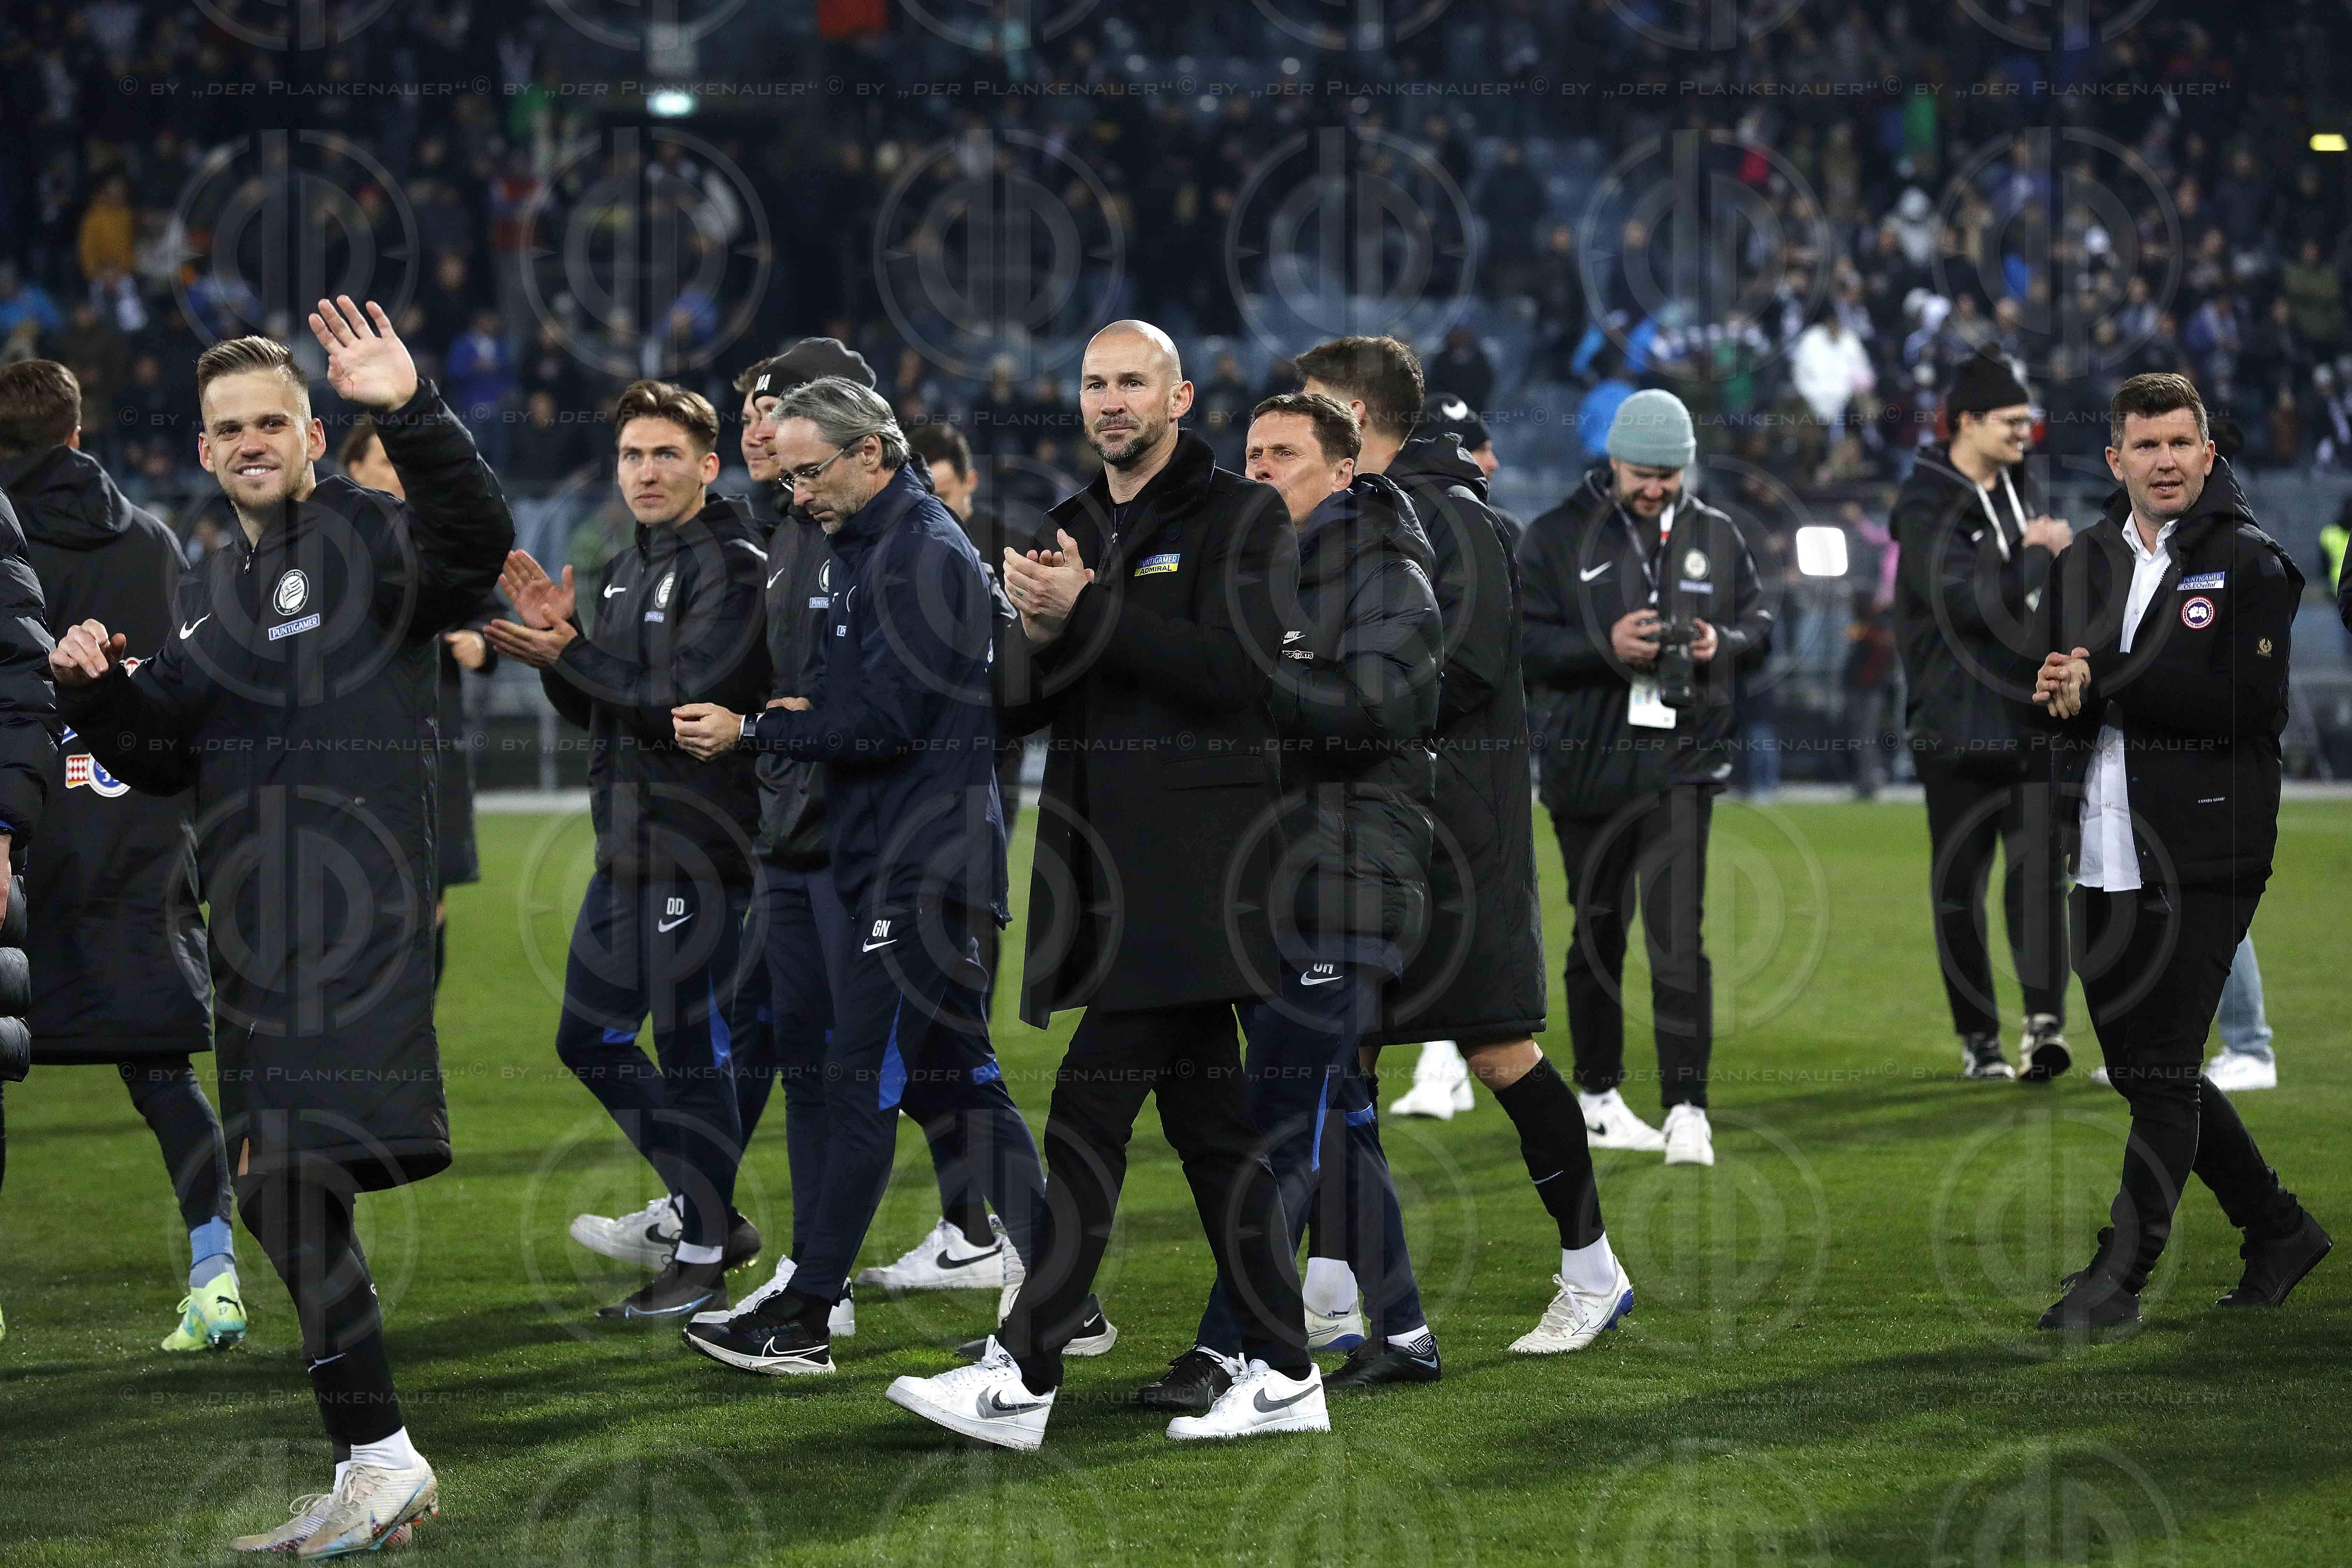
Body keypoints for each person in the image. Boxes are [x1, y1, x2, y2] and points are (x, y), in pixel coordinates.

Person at [52, 299, 512, 1555]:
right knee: (277, 1196)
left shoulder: (364, 535)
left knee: (292, 1181)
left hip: (350, 922)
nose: (252, 442)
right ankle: (380, 1461)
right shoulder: (215, 588)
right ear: (204, 451)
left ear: (312, 433)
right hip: (257, 935)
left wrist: (407, 406)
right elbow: (159, 755)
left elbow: (476, 543)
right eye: (229, 428)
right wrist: (95, 694)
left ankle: (382, 1461)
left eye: (273, 421)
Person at [878, 321, 1320, 1448]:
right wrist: (1025, 630)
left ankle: (1023, 1374)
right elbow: (1029, 707)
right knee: (1216, 1136)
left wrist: (1088, 613)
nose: (1110, 401)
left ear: (1179, 398)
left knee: (1086, 1117)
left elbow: (1238, 674)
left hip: (1203, 870)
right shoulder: (1069, 525)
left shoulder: (1241, 516)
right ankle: (1286, 1373)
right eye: (1094, 383)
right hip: (1108, 866)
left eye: (1133, 382)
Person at [667, 376, 1052, 1379]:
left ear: (872, 455)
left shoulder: (922, 553)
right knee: (955, 1078)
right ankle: (1066, 1291)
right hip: (895, 854)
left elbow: (888, 722)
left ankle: (807, 1315)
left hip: (924, 864)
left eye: (810, 471)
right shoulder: (867, 546)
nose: (795, 492)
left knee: (861, 1080)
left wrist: (758, 729)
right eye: (787, 474)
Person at [1299, 336, 1635, 1357]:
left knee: (1497, 1051)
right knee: (1338, 1053)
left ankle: (1592, 1271)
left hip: (1460, 841)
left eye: (1313, 408)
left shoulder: (1460, 522)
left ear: (1357, 421)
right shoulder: (1356, 517)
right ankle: (1322, 1295)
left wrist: (1341, 713)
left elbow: (1473, 664)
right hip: (1378, 830)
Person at [2030, 371, 2329, 1330]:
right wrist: (2056, 696)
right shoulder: (2083, 560)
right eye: (2144, 446)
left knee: (2160, 1071)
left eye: (2179, 443)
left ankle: (2118, 1278)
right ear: (2114, 459)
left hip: (2210, 847)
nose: (2164, 461)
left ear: (2210, 452)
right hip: (2102, 848)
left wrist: (2106, 682)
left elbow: (2245, 708)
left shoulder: (2253, 565)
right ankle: (2277, 1227)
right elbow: (2064, 704)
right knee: (2143, 1068)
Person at [486, 379, 770, 1325]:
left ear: (707, 465)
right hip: (630, 842)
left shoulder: (733, 563)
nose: (645, 472)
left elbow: (686, 703)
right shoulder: (622, 563)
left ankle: (701, 1253)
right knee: (588, 1037)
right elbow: (609, 702)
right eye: (631, 456)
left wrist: (574, 655)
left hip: (701, 842)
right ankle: (714, 1215)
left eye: (664, 455)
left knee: (692, 1044)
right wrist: (559, 653)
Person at [1175, 392, 1443, 1392]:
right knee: (1337, 1117)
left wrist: (1253, 674)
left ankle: (1226, 1347)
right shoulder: (1262, 574)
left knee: (1280, 1118)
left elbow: (1378, 711)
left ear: (1346, 466)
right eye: (1249, 453)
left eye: (1283, 453)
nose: (1258, 470)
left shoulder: (1385, 568)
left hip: (1348, 878)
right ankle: (1406, 1332)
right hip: (1276, 880)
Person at [0, 361, 232, 1353]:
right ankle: (216, 1276)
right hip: (132, 816)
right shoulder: (154, 539)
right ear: (80, 430)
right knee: (159, 1065)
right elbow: (176, 685)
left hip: (18, 829)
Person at [1518, 388, 1772, 1167]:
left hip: (1681, 764)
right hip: (1588, 765)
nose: (1656, 486)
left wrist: (1714, 640)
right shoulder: (1556, 535)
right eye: (1642, 472)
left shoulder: (1716, 533)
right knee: (1597, 933)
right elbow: (1522, 642)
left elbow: (1763, 628)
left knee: (1677, 938)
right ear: (1612, 460)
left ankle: (1688, 1107)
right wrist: (1607, 643)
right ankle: (1597, 1094)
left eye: (1669, 473)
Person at [1890, 349, 2075, 1082]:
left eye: (2028, 421)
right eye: (2010, 421)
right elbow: (1964, 603)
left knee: (2039, 879)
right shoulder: (1925, 500)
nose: (2025, 433)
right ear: (1966, 422)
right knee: (1960, 887)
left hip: (2027, 715)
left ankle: (2043, 1027)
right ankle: (1979, 1040)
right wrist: (2036, 555)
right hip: (1955, 724)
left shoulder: (2014, 487)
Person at [338, 418, 498, 992]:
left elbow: (489, 607)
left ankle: (412, 1036)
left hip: (432, 737)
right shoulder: (325, 541)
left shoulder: (438, 537)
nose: (397, 476)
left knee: (429, 895)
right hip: (346, 746)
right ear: (352, 467)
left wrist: (482, 640)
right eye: (385, 462)